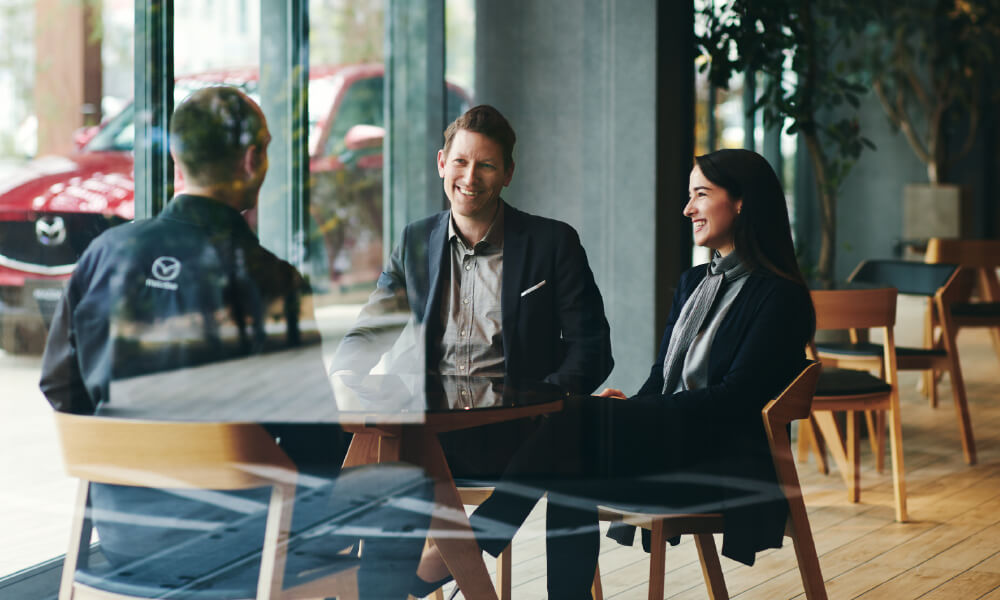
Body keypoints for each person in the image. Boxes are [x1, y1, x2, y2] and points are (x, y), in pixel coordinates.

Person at [40, 86, 431, 599]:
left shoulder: (104, 255)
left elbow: (59, 386)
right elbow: (312, 448)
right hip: (241, 544)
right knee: (405, 484)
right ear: (252, 159)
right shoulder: (268, 279)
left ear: (177, 158)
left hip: (123, 535)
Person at [481, 148, 816, 598]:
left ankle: (469, 543)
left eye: (701, 194)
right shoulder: (693, 284)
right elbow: (662, 379)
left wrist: (639, 415)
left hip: (719, 464)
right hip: (671, 444)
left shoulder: (780, 298)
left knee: (570, 419)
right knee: (568, 451)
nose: (688, 208)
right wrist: (633, 409)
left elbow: (736, 401)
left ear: (741, 203)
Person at [328, 104, 614, 596]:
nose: (470, 177)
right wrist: (343, 374)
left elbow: (592, 350)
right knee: (375, 448)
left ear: (507, 173)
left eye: (485, 165)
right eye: (461, 162)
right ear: (442, 162)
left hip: (519, 434)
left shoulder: (553, 243)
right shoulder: (416, 240)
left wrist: (547, 402)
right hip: (430, 434)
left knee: (575, 438)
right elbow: (372, 327)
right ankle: (382, 588)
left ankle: (448, 558)